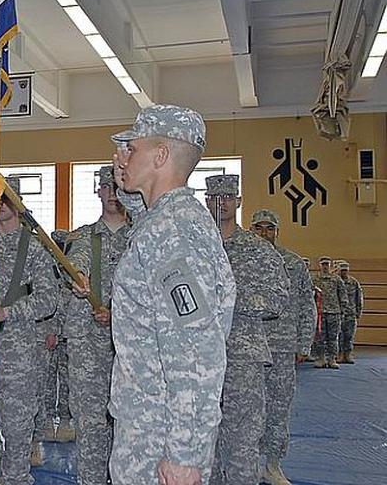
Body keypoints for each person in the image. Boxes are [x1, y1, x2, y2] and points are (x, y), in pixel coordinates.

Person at [107, 104, 237, 485]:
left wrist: (185, 455)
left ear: (160, 156)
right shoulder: (167, 221)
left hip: (159, 438)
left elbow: (196, 351)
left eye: (133, 148)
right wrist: (127, 184)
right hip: (150, 427)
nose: (123, 156)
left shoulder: (173, 232)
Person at [204, 177, 287, 485]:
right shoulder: (193, 247)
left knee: (242, 443)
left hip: (242, 356)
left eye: (227, 196)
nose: (220, 202)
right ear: (206, 201)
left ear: (238, 202)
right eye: (214, 196)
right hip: (197, 359)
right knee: (201, 443)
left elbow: (277, 298)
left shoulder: (258, 250)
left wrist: (229, 302)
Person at [62, 165, 129, 485]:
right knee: (90, 421)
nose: (112, 193)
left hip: (130, 343)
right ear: (98, 191)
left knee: (129, 420)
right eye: (107, 187)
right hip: (88, 341)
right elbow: (75, 266)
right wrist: (78, 278)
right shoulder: (84, 237)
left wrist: (118, 314)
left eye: (117, 187)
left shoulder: (142, 238)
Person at [0, 175, 59, 485]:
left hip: (19, 352)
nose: (2, 205)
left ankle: (16, 479)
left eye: (8, 199)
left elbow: (48, 299)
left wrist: (9, 312)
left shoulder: (33, 247)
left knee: (17, 428)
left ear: (17, 203)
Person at [250, 209, 316, 485]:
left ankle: (273, 465)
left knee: (279, 408)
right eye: (259, 228)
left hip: (282, 347)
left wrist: (304, 342)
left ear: (277, 231)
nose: (264, 233)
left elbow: (306, 304)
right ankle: (248, 464)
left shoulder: (293, 263)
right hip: (249, 347)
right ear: (252, 230)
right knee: (247, 408)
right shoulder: (243, 260)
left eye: (269, 228)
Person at [311, 257, 348, 368]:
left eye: (327, 264)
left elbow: (343, 295)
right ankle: (321, 358)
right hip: (320, 312)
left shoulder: (336, 279)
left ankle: (332, 359)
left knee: (333, 337)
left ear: (330, 265)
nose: (325, 266)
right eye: (323, 264)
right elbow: (310, 295)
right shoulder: (315, 279)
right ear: (320, 265)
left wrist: (342, 310)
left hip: (334, 312)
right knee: (319, 337)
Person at [336, 260, 363, 364]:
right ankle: (340, 354)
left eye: (345, 270)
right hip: (338, 313)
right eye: (342, 270)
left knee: (350, 335)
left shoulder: (353, 282)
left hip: (350, 313)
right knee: (339, 335)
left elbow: (359, 298)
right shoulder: (336, 281)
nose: (344, 272)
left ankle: (348, 354)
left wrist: (358, 311)